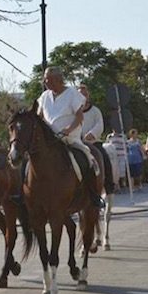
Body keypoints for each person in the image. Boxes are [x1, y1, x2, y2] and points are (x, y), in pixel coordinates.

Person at [36, 67, 102, 207]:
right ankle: (22, 193)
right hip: (49, 141)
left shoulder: (72, 93)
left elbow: (79, 116)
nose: (44, 81)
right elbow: (39, 117)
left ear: (57, 80)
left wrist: (68, 129)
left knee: (86, 159)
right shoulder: (44, 96)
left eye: (47, 79)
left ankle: (92, 194)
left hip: (69, 139)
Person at [78, 84, 115, 193]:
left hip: (93, 143)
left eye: (85, 94)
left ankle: (109, 186)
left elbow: (99, 125)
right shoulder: (73, 111)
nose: (83, 96)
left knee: (104, 159)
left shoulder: (95, 111)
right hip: (78, 143)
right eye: (81, 94)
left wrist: (92, 134)